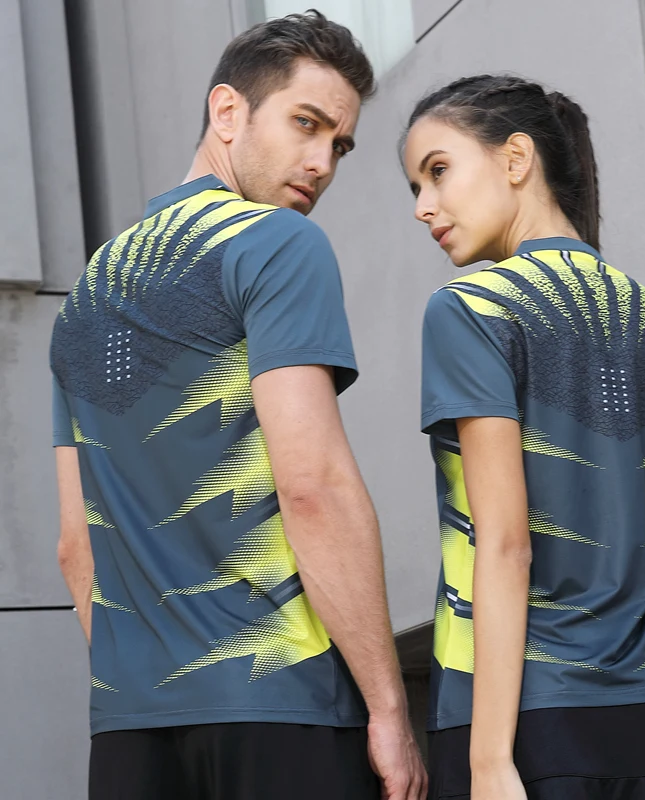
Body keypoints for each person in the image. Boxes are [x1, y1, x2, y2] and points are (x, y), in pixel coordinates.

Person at [51, 12, 425, 800]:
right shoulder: (275, 243)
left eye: (340, 145)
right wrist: (390, 709)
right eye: (306, 124)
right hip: (279, 708)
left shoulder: (86, 295)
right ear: (228, 111)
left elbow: (76, 549)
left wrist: (151, 683)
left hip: (129, 734)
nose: (321, 162)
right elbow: (313, 488)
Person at [402, 74, 645, 800]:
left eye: (438, 171)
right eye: (416, 186)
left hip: (517, 725)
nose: (423, 207)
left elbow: (506, 545)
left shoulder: (471, 311)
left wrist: (487, 761)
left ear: (516, 158)